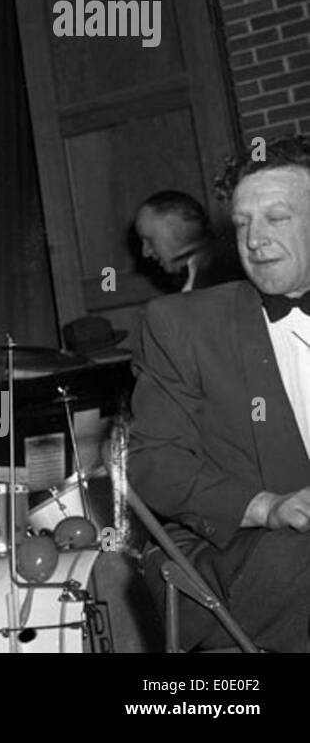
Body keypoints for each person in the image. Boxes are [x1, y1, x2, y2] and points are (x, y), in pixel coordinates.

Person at [129, 135, 310, 651]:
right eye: (243, 224)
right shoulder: (182, 324)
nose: (254, 240)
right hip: (243, 559)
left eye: (276, 218)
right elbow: (153, 464)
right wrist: (267, 507)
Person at [133, 189, 240, 293]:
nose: (145, 252)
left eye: (149, 240)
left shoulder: (224, 280)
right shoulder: (194, 275)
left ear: (175, 229)